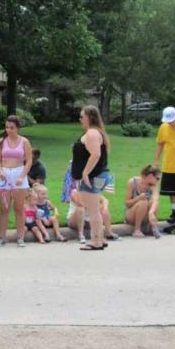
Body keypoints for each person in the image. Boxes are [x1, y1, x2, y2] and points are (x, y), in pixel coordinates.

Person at [71, 105, 111, 251]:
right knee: (94, 208)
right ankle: (100, 238)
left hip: (93, 176)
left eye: (82, 117)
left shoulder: (92, 133)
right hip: (98, 175)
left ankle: (96, 241)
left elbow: (95, 155)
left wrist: (85, 173)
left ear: (90, 117)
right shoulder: (94, 132)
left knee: (93, 209)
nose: (80, 119)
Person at [0, 115, 33, 247]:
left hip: (18, 174)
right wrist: (1, 172)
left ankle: (20, 237)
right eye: (7, 127)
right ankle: (1, 237)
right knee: (4, 208)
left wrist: (22, 176)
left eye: (11, 127)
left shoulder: (24, 142)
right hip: (5, 174)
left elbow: (29, 160)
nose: (8, 130)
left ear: (17, 128)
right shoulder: (1, 141)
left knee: (19, 208)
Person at [125, 165, 162, 239]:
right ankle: (137, 229)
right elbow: (127, 203)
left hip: (146, 215)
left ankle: (152, 227)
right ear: (150, 176)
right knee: (143, 202)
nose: (158, 181)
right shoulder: (133, 182)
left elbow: (156, 199)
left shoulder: (153, 185)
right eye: (157, 178)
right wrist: (138, 198)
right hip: (131, 215)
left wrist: (151, 212)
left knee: (153, 202)